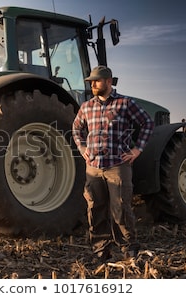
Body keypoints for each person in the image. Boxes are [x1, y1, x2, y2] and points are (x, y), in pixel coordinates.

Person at [72, 65, 154, 261]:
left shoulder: (125, 104)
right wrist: (83, 148)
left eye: (97, 81)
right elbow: (76, 129)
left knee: (121, 207)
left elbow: (147, 123)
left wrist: (137, 150)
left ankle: (128, 248)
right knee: (96, 208)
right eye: (91, 81)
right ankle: (101, 249)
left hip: (117, 165)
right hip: (93, 166)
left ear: (108, 82)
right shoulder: (86, 107)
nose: (93, 84)